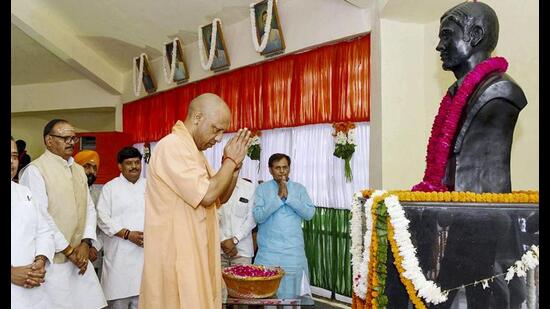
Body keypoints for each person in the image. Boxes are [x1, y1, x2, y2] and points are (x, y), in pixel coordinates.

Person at [411, 2, 528, 308]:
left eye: (447, 36)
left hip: (486, 223)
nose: (439, 46)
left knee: (486, 298)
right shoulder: (456, 95)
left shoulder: (500, 90)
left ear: (475, 35)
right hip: (465, 221)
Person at [139, 93, 252, 309]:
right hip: (177, 256)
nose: (219, 138)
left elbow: (220, 197)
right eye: (216, 129)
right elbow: (207, 195)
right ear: (198, 117)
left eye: (223, 132)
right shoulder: (172, 146)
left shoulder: (194, 152)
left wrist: (234, 168)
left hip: (197, 252)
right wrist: (229, 161)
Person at [19, 119, 107, 309]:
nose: (70, 142)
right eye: (64, 137)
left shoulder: (78, 170)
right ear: (49, 140)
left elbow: (89, 208)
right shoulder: (35, 171)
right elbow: (41, 218)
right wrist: (69, 251)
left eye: (73, 138)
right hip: (54, 262)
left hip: (80, 259)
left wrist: (85, 243)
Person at [252, 153, 315, 298]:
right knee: (268, 299)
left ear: (289, 169)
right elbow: (258, 217)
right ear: (270, 169)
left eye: (285, 167)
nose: (282, 171)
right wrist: (278, 198)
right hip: (268, 254)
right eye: (277, 168)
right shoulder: (262, 189)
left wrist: (289, 198)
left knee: (292, 300)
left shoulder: (299, 189)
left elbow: (309, 214)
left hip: (293, 254)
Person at [96, 146, 146, 309]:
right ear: (120, 166)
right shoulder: (110, 188)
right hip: (119, 261)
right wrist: (127, 234)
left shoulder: (151, 186)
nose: (134, 167)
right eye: (129, 163)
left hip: (145, 258)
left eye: (137, 163)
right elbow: (102, 218)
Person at [11, 136, 55, 308]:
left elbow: (44, 230)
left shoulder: (24, 192)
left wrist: (41, 260)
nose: (11, 162)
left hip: (31, 288)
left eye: (14, 156)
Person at [74, 150, 103, 275]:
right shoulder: (66, 191)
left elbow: (104, 227)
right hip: (70, 254)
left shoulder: (101, 193)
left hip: (94, 255)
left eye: (94, 167)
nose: (91, 171)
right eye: (86, 166)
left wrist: (94, 247)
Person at [219, 177, 257, 267]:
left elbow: (252, 219)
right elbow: (212, 217)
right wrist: (222, 240)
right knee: (218, 281)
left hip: (242, 252)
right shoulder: (216, 187)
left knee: (241, 281)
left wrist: (235, 240)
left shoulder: (250, 188)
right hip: (219, 250)